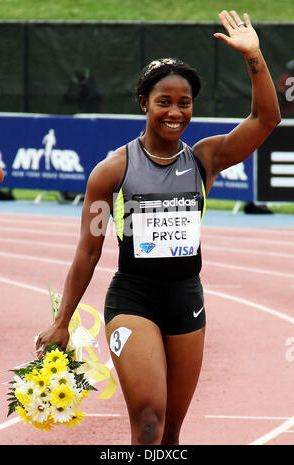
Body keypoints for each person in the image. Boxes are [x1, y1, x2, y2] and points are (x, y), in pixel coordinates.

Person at [36, 10, 281, 445]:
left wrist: (255, 57)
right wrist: (62, 321)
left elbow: (266, 120)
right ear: (144, 104)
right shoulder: (110, 172)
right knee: (149, 421)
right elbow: (88, 252)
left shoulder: (205, 158)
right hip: (133, 299)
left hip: (186, 298)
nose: (174, 112)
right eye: (163, 101)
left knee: (170, 434)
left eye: (183, 103)